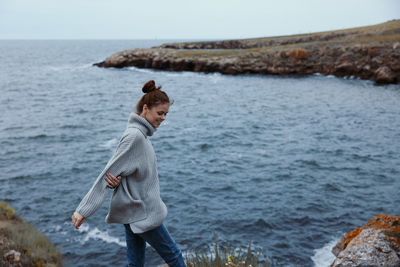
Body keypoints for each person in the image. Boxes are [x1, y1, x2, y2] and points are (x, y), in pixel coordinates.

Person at [71, 80, 186, 267]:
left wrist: (119, 180)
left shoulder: (139, 135)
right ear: (146, 109)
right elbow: (108, 173)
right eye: (160, 113)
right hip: (143, 212)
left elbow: (123, 171)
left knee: (135, 263)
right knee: (174, 255)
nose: (163, 118)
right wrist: (84, 210)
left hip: (133, 209)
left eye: (166, 114)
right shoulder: (135, 137)